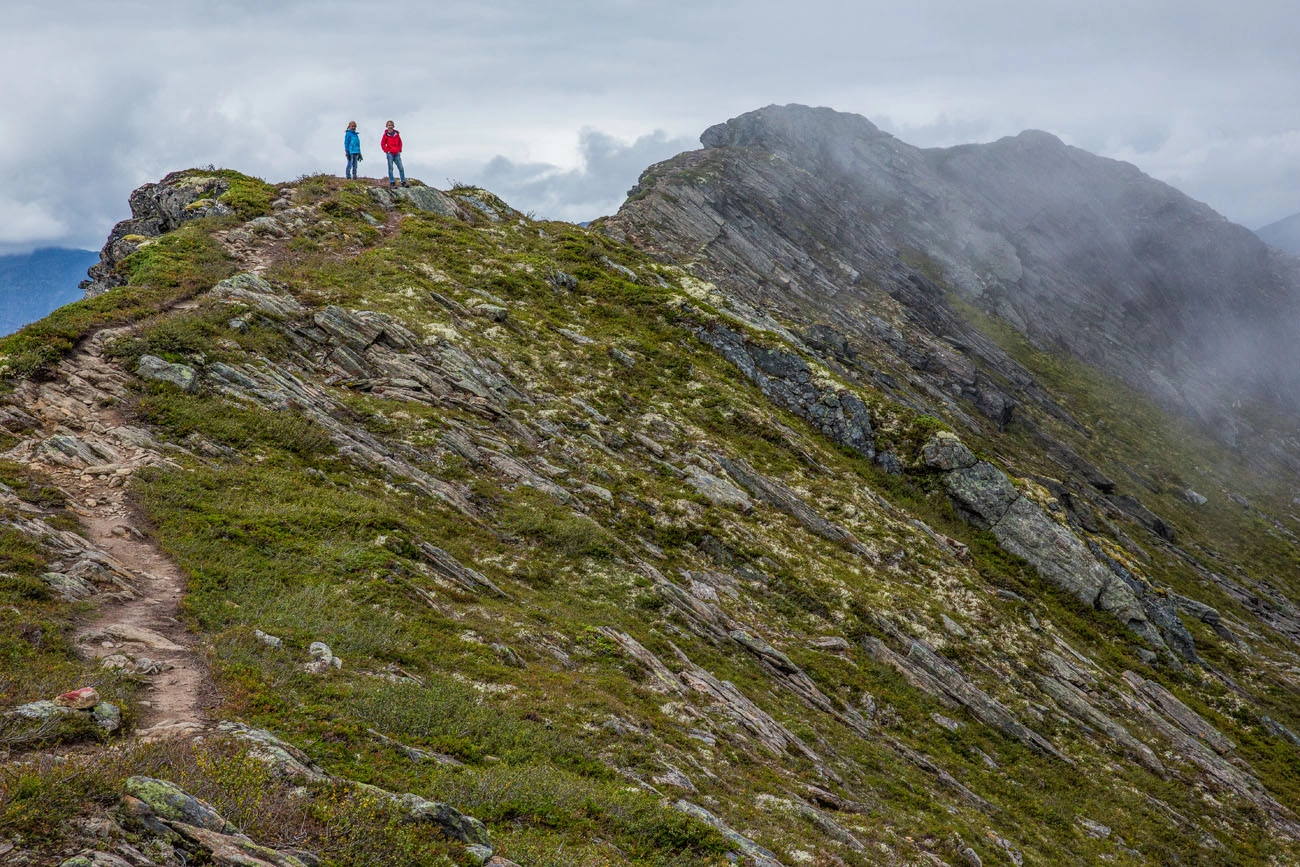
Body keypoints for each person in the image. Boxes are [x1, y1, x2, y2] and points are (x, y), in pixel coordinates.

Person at [381, 120, 407, 187]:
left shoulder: (396, 134)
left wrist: (399, 150)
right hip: (390, 154)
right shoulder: (385, 135)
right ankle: (392, 182)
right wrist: (387, 151)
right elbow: (382, 144)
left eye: (391, 125)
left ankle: (403, 182)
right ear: (387, 126)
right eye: (389, 125)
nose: (390, 126)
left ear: (393, 126)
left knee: (401, 168)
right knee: (391, 168)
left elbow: (400, 143)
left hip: (397, 153)